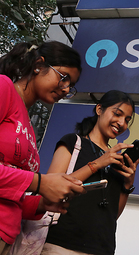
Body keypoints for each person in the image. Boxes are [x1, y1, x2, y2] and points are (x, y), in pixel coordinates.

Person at [0, 41, 85, 255]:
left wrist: (43, 204)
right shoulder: (4, 88)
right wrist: (40, 182)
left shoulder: (28, 125)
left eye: (70, 85)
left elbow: (12, 197)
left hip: (7, 237)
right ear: (39, 64)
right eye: (63, 77)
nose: (65, 89)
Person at [41, 90, 139, 255]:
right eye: (117, 114)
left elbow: (113, 215)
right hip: (60, 244)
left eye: (127, 119)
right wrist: (97, 164)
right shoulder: (73, 142)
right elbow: (50, 188)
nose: (121, 122)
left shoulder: (116, 160)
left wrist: (127, 184)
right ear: (99, 109)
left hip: (101, 248)